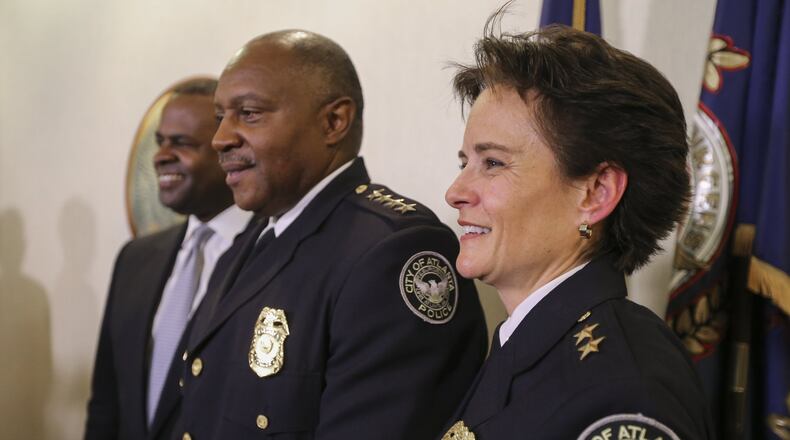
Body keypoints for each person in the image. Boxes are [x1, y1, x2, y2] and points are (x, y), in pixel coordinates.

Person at [176, 30, 488, 439]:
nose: (220, 139)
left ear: (333, 122)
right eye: (221, 117)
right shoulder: (251, 238)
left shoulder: (393, 251)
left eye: (249, 113)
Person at [439, 22, 715, 440]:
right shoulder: (532, 345)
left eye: (493, 163)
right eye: (465, 164)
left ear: (595, 194)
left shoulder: (622, 392)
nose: (455, 192)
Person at [84, 78, 254, 440]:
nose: (161, 156)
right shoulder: (135, 259)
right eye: (161, 141)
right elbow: (106, 403)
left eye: (182, 143)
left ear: (228, 149)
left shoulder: (269, 257)